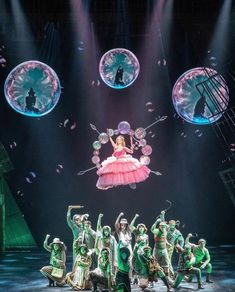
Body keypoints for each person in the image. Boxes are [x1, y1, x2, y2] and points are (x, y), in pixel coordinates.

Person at [151, 212, 171, 278]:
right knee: (154, 263)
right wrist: (156, 222)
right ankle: (153, 279)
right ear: (159, 226)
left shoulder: (165, 230)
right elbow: (152, 229)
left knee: (166, 264)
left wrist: (163, 214)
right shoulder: (157, 231)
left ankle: (167, 277)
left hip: (164, 249)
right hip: (157, 250)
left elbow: (164, 239)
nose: (163, 227)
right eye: (162, 226)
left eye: (164, 226)